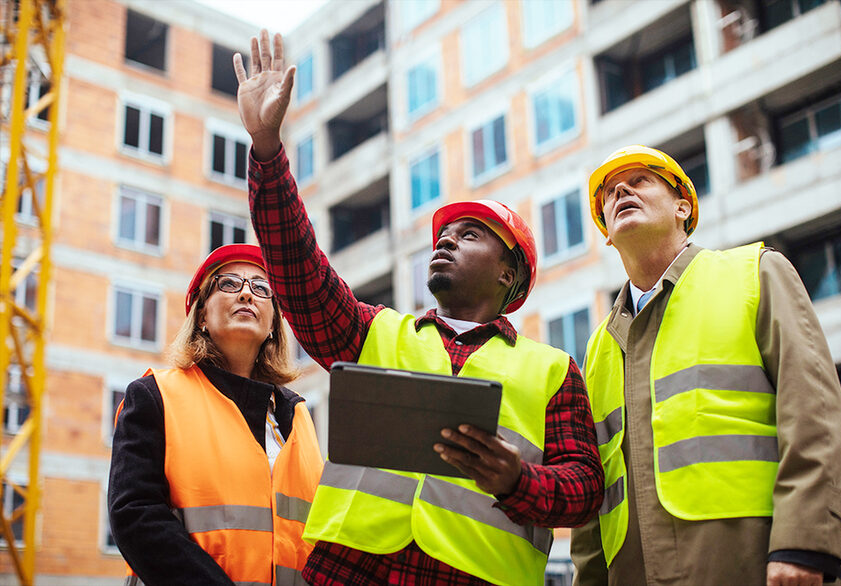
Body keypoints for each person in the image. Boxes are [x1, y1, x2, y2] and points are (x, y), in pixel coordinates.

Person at [233, 30, 605, 586]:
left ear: (510, 272)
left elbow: (585, 490)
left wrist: (518, 481)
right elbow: (298, 271)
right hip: (351, 571)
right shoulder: (376, 331)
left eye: (470, 234)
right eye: (443, 234)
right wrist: (267, 149)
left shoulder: (553, 371)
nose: (446, 241)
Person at [571, 145, 841, 586]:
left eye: (641, 179)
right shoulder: (597, 349)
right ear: (606, 232)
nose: (621, 189)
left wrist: (804, 543)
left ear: (684, 206)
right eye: (609, 192)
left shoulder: (755, 274)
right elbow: (595, 493)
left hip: (760, 564)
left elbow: (814, 413)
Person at [108, 244, 323, 586]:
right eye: (228, 284)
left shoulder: (297, 417)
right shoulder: (154, 396)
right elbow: (134, 515)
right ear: (202, 316)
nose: (246, 294)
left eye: (261, 288)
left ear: (273, 325)